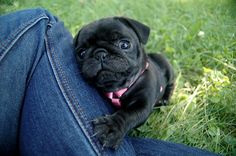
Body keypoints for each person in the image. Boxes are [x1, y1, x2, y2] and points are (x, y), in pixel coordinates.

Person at [0, 8, 217, 156]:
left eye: (123, 45)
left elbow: (142, 109)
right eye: (85, 52)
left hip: (155, 79)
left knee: (163, 62)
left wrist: (119, 122)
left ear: (139, 41)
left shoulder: (147, 79)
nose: (102, 57)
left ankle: (167, 91)